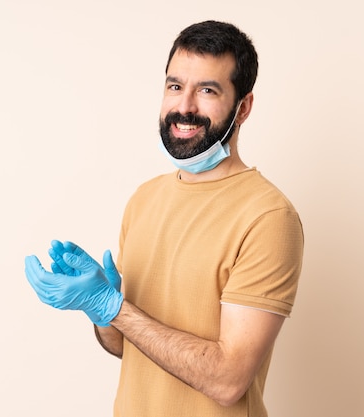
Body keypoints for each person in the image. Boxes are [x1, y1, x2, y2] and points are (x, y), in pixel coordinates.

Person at [25, 20, 304, 417]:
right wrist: (100, 310)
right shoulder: (144, 199)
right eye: (175, 86)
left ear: (243, 107)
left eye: (207, 90)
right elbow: (125, 345)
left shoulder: (268, 217)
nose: (185, 106)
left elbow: (228, 381)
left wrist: (116, 308)